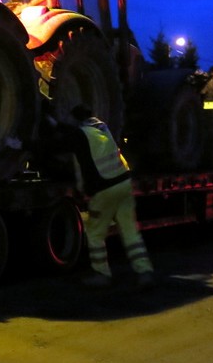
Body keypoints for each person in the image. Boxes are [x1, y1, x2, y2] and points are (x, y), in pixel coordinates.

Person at [59, 103, 156, 289]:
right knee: (130, 232)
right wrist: (58, 125)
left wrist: (23, 144)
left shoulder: (81, 135)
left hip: (104, 190)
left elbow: (63, 143)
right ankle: (144, 272)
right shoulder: (102, 127)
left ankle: (101, 274)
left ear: (77, 120)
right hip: (123, 184)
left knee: (95, 233)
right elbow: (75, 133)